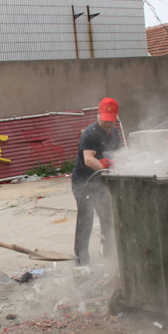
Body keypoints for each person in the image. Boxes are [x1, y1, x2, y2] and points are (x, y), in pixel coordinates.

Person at [71, 97, 121, 267]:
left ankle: (108, 254)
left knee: (108, 217)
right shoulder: (90, 133)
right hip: (84, 183)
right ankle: (81, 262)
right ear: (98, 113)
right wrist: (107, 169)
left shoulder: (114, 133)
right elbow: (88, 159)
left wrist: (122, 165)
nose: (108, 123)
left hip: (102, 183)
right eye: (105, 119)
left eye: (111, 120)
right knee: (86, 220)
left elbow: (118, 154)